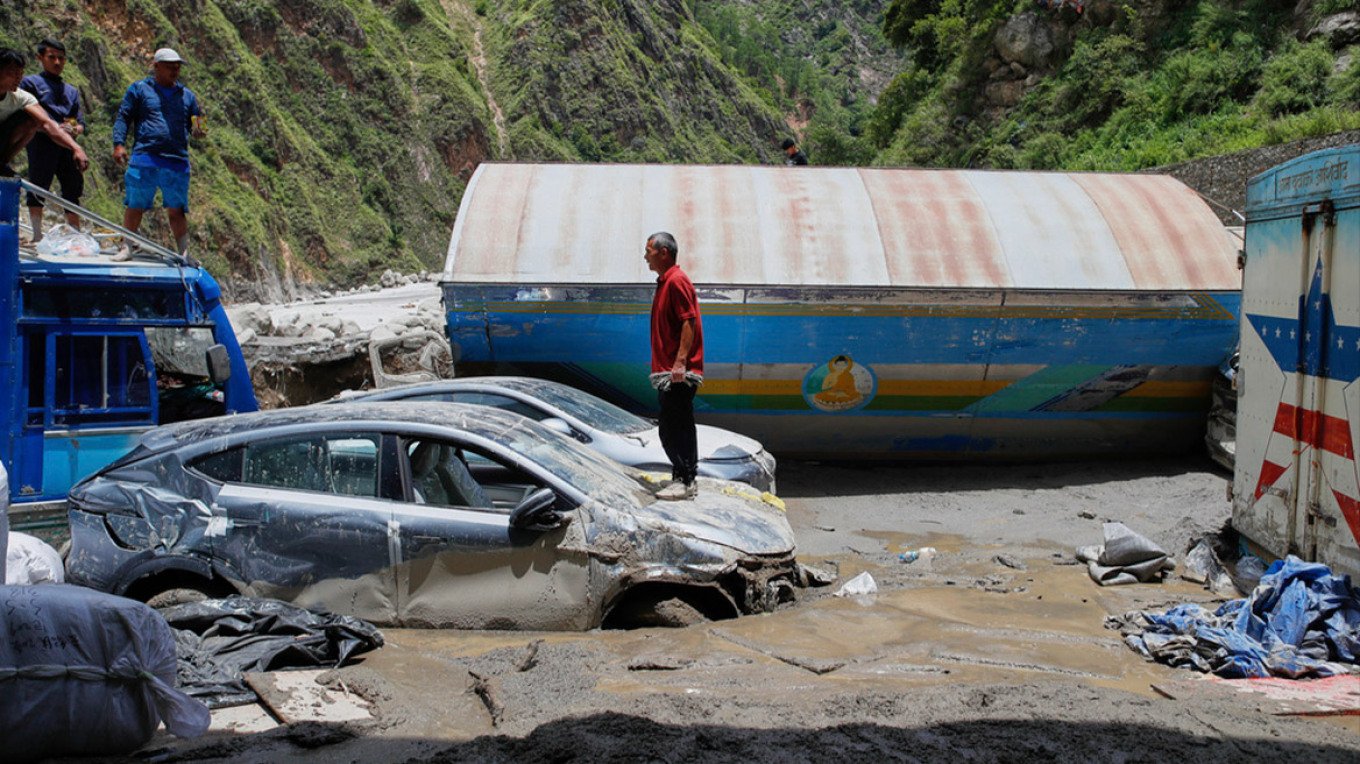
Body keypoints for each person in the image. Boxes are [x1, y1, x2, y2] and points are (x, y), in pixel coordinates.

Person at [112, 48, 206, 255]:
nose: (175, 70)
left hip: (177, 161)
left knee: (178, 209)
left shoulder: (188, 96)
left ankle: (184, 253)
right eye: (170, 66)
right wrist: (119, 144)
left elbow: (198, 123)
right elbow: (124, 117)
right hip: (145, 158)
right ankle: (126, 247)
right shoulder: (139, 89)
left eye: (177, 67)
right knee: (135, 205)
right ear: (156, 66)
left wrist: (200, 129)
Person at [644, 232, 704, 501]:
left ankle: (687, 480)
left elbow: (688, 322)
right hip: (668, 370)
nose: (645, 256)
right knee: (671, 425)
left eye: (649, 251)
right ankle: (682, 477)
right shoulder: (665, 282)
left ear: (663, 252)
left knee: (675, 425)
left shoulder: (677, 281)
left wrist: (680, 363)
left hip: (677, 372)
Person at [21, 39, 86, 240]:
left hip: (67, 144)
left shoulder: (71, 91)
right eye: (52, 57)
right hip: (41, 142)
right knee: (38, 186)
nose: (57, 62)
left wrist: (74, 128)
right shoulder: (30, 83)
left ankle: (75, 236)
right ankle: (37, 235)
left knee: (72, 188)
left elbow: (79, 122)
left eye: (61, 58)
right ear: (40, 58)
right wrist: (55, 128)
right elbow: (29, 116)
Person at [0, 48, 88, 179]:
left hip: (59, 139)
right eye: (12, 73)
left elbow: (48, 123)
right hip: (40, 145)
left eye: (21, 73)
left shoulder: (70, 92)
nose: (18, 78)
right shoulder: (34, 83)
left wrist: (76, 147)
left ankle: (1, 163)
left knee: (32, 120)